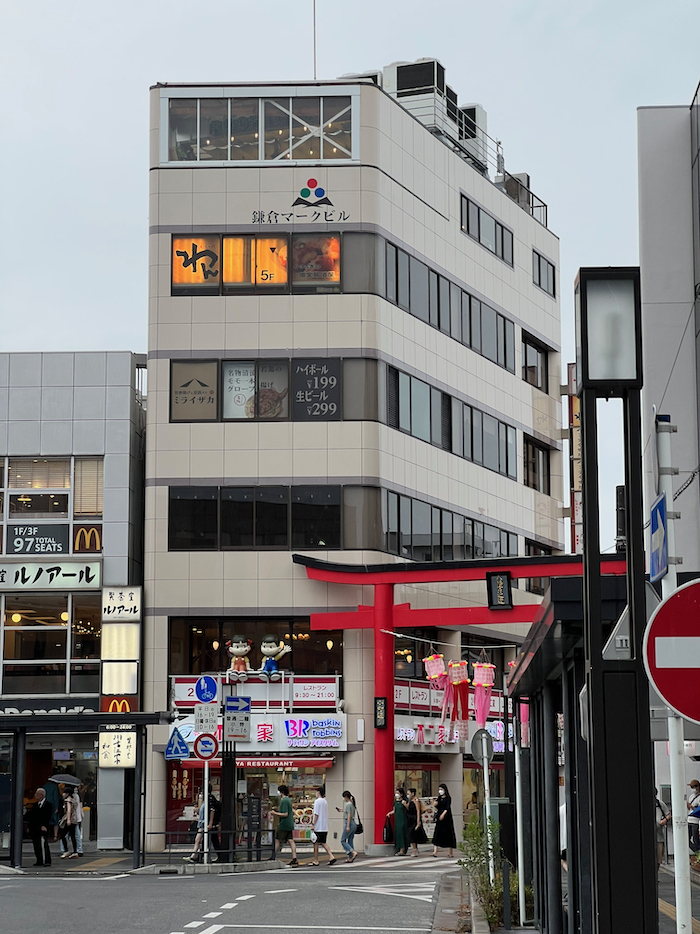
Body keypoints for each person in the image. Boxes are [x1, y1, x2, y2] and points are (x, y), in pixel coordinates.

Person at [270, 785, 298, 867]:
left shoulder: (284, 801)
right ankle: (294, 858)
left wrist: (274, 813)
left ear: (281, 792)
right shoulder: (288, 800)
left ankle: (273, 856)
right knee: (290, 840)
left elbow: (285, 814)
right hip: (289, 823)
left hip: (284, 823)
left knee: (277, 839)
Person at [310, 786, 336, 866]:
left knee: (315, 843)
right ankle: (331, 856)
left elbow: (316, 814)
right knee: (323, 842)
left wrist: (313, 824)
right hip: (324, 826)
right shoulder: (325, 801)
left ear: (318, 792)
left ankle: (316, 860)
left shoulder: (317, 801)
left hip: (318, 826)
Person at [28, 788, 52, 866]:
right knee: (36, 844)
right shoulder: (35, 805)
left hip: (43, 827)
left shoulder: (48, 804)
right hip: (35, 828)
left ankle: (46, 860)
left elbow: (47, 816)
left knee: (43, 844)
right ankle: (39, 860)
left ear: (41, 795)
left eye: (37, 794)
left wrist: (44, 825)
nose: (35, 795)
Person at [432, 783, 456, 858]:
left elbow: (447, 808)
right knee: (437, 832)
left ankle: (450, 852)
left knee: (449, 833)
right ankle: (435, 851)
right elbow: (437, 806)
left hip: (447, 818)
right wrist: (435, 804)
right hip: (439, 817)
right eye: (439, 789)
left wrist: (443, 814)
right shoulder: (439, 798)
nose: (440, 791)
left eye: (441, 789)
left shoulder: (448, 798)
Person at [60, 788, 83, 858]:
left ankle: (66, 850)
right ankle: (75, 852)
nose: (63, 794)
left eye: (64, 793)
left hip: (70, 819)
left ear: (67, 793)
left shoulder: (68, 800)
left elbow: (69, 810)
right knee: (73, 836)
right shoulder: (73, 800)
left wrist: (68, 820)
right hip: (74, 820)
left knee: (63, 835)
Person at [184, 793, 206, 862]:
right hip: (201, 824)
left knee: (198, 840)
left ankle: (193, 855)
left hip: (203, 825)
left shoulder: (205, 804)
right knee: (199, 840)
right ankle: (195, 855)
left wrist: (200, 818)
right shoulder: (203, 804)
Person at [407, 788, 427, 857]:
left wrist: (418, 820)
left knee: (414, 834)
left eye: (409, 793)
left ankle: (415, 850)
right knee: (411, 834)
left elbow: (418, 811)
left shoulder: (416, 800)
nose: (408, 795)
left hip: (415, 818)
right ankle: (415, 849)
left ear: (412, 793)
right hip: (410, 819)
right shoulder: (410, 801)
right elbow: (407, 808)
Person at [387, 789, 408, 856]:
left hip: (403, 819)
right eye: (396, 793)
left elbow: (408, 809)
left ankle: (402, 849)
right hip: (397, 820)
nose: (396, 794)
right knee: (398, 833)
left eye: (398, 793)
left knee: (402, 833)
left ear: (401, 794)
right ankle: (400, 848)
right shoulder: (395, 802)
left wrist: (405, 805)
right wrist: (390, 813)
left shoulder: (404, 801)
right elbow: (394, 810)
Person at [340, 790, 358, 862]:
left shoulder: (348, 804)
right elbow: (349, 812)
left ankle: (352, 852)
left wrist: (347, 826)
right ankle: (350, 858)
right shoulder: (352, 804)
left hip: (349, 823)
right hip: (353, 824)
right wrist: (342, 810)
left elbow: (349, 815)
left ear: (346, 797)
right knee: (350, 840)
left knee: (343, 840)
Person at [655, 787, 671, 868]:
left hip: (659, 836)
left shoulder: (659, 803)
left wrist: (665, 820)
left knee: (658, 858)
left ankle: (656, 873)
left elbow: (668, 814)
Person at [688, 780, 700, 852]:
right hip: (689, 819)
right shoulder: (691, 796)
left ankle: (698, 852)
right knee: (687, 839)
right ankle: (697, 851)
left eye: (693, 787)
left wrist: (693, 807)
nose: (692, 788)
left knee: (696, 839)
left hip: (696, 820)